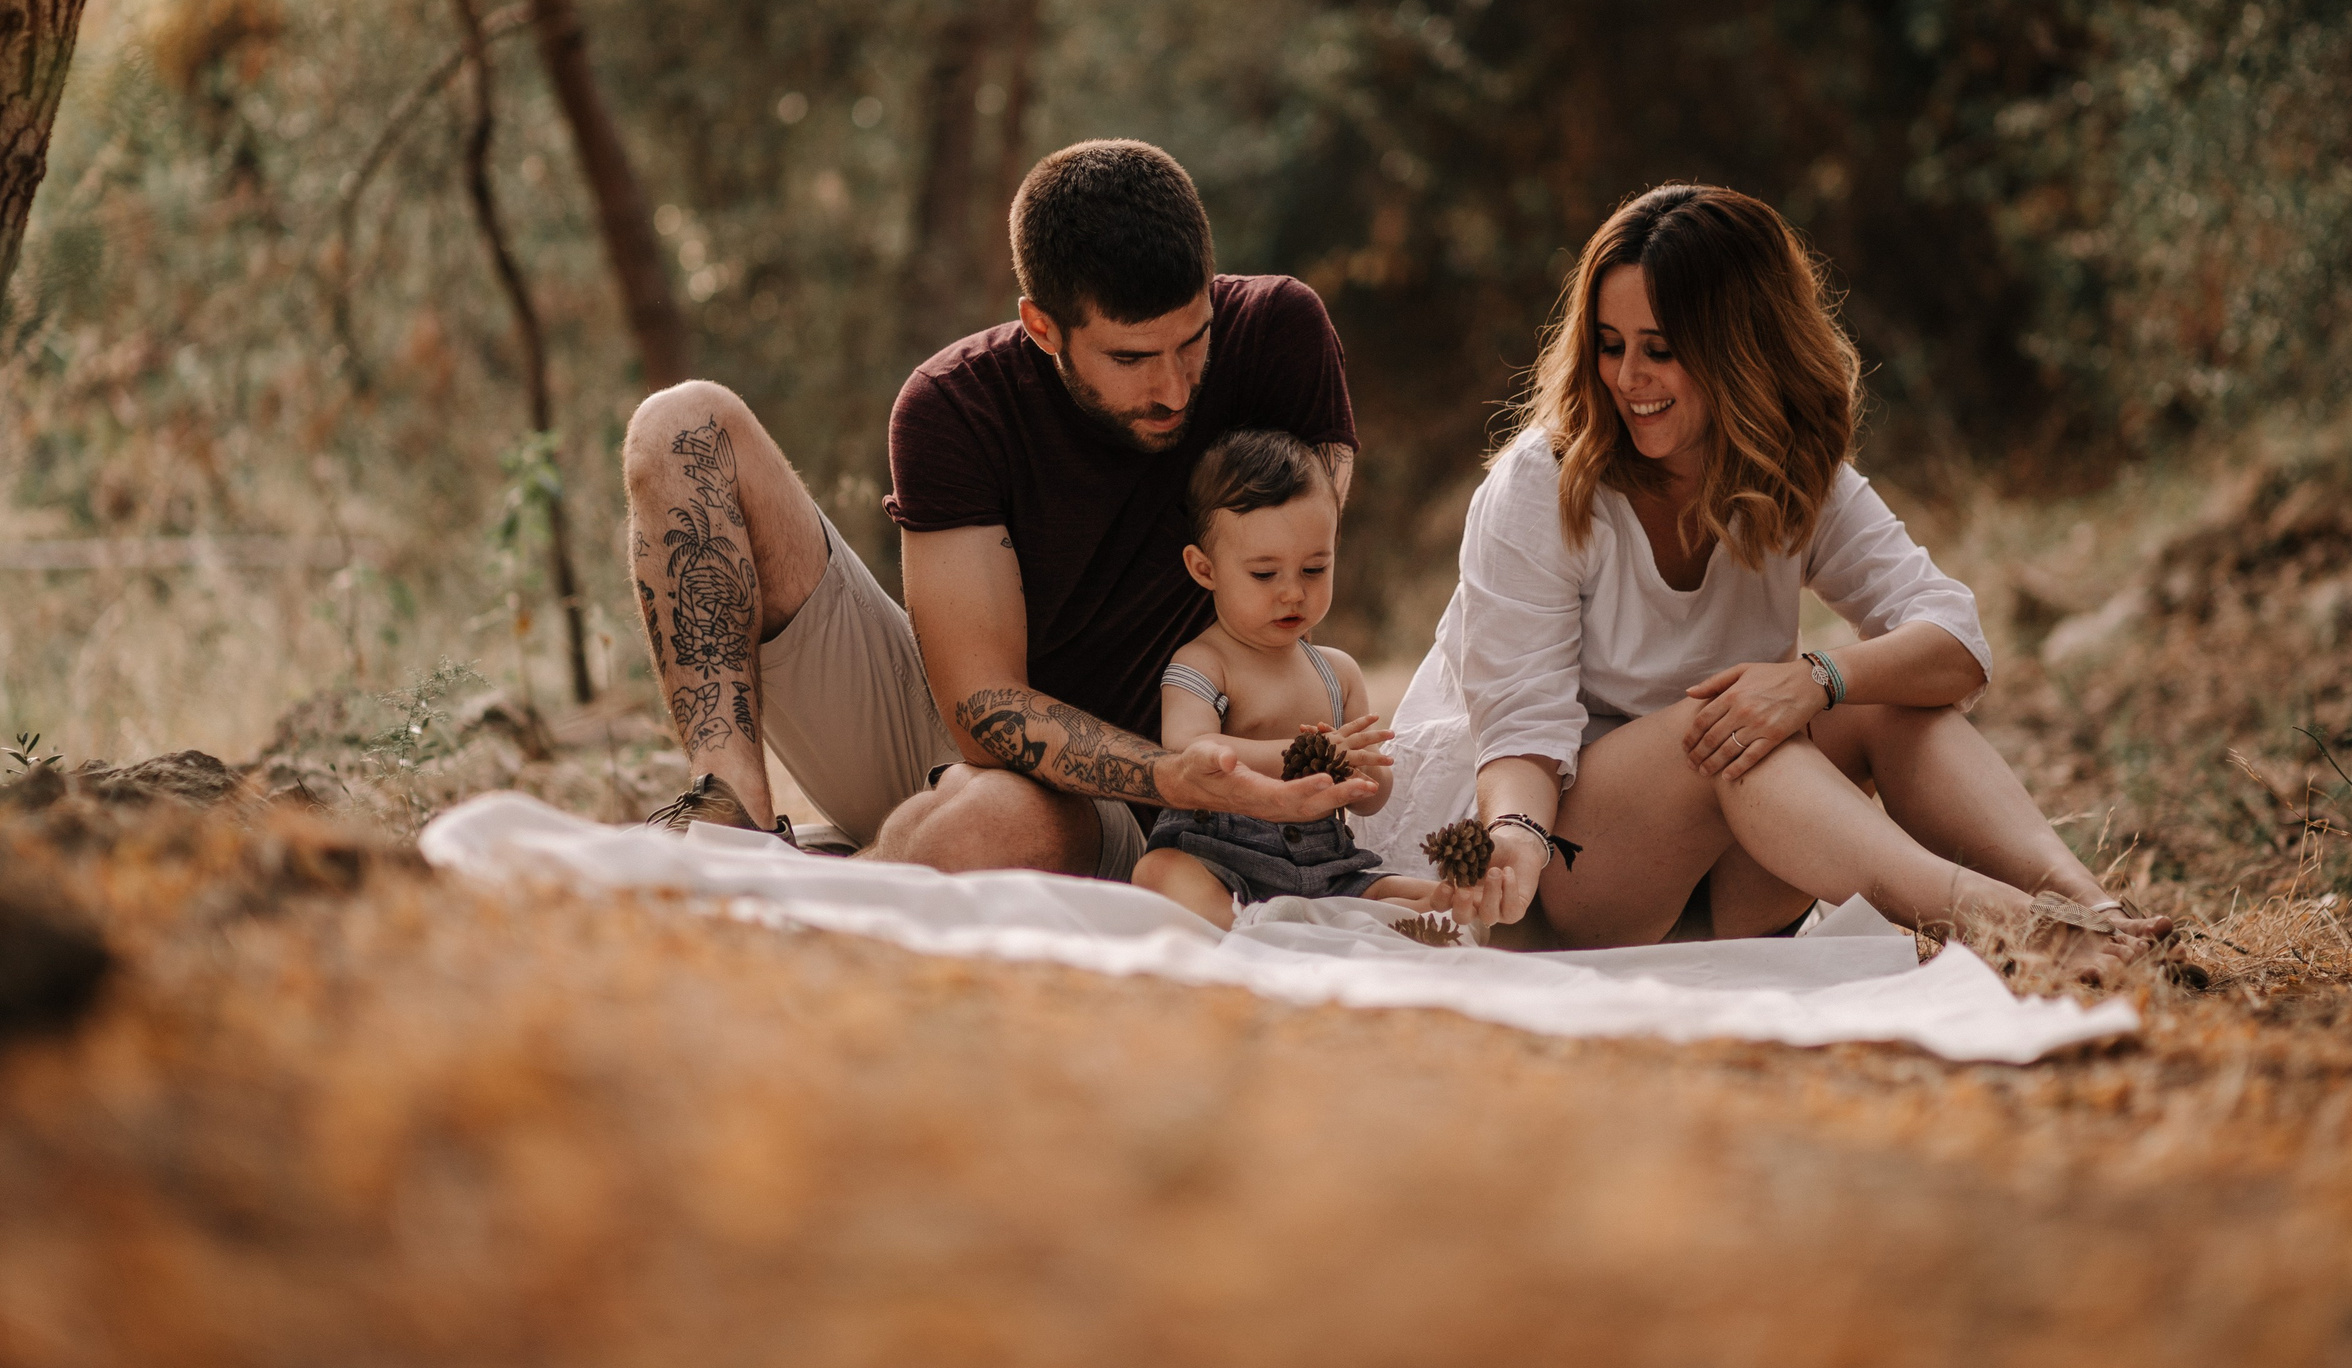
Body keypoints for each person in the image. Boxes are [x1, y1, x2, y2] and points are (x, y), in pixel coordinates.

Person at [1362, 184, 2169, 966]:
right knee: (1719, 726)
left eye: (1661, 349)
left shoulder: (1790, 471)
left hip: (1743, 886)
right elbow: (1522, 735)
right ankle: (2010, 923)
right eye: (1611, 345)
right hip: (1574, 873)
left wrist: (1817, 679)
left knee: (1876, 702)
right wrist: (1510, 839)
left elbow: (1956, 640)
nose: (1627, 377)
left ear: (1738, 349)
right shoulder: (1543, 484)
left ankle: (2094, 911)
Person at [622, 139, 1372, 877]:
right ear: (1042, 326)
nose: (1175, 388)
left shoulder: (1279, 333)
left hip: (1143, 812)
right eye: (1131, 359)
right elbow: (982, 710)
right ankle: (732, 819)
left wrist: (1182, 771)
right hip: (983, 729)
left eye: (1193, 341)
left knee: (990, 821)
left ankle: (830, 883)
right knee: (681, 425)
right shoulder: (952, 405)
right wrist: (1170, 769)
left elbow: (1305, 562)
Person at [1133, 429, 1441, 928]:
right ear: (1204, 568)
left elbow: (1373, 797)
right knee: (1158, 871)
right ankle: (1254, 928)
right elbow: (1187, 746)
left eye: (1314, 569)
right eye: (1264, 574)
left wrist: (1363, 771)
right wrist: (1307, 756)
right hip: (1220, 855)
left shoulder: (1337, 672)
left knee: (1421, 893)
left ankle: (1410, 919)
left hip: (1323, 864)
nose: (1293, 593)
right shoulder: (1203, 661)